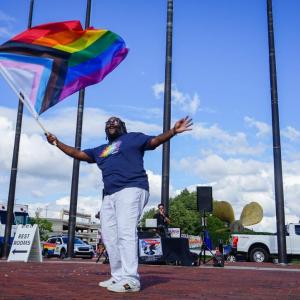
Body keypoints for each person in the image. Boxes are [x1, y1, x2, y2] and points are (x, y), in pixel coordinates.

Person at [46, 115, 192, 293]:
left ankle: (131, 279)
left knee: (125, 232)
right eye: (108, 123)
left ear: (123, 126)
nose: (111, 123)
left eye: (115, 121)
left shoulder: (132, 138)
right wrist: (57, 142)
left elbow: (154, 142)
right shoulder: (101, 150)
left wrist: (173, 131)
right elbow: (78, 154)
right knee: (109, 236)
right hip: (109, 195)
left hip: (132, 188)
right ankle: (118, 276)